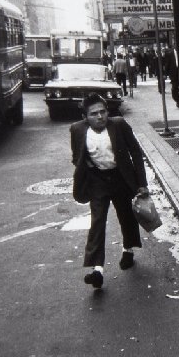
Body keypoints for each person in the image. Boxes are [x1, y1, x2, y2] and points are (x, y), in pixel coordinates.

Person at [70, 93, 150, 289]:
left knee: (126, 216)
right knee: (97, 221)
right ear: (85, 117)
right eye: (94, 114)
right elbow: (76, 157)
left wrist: (142, 183)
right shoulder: (77, 130)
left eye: (103, 111)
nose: (100, 117)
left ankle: (128, 250)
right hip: (98, 181)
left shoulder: (119, 124)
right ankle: (97, 270)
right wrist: (88, 171)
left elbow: (136, 152)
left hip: (121, 178)